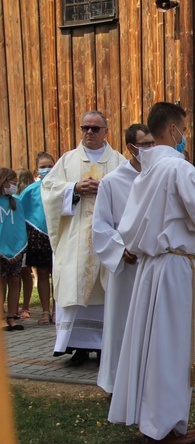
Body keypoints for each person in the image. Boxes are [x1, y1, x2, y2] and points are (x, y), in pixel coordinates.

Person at [108, 102, 195, 444]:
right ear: (173, 130)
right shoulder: (177, 168)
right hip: (173, 267)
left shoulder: (144, 169)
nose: (185, 137)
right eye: (183, 130)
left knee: (150, 344)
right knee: (170, 347)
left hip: (150, 266)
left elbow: (130, 224)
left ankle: (151, 420)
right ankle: (162, 427)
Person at [42, 110, 126, 366]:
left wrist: (107, 191)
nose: (89, 132)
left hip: (107, 238)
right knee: (75, 286)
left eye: (95, 128)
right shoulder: (68, 161)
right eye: (85, 128)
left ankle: (104, 347)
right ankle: (76, 346)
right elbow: (49, 190)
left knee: (106, 291)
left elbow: (130, 194)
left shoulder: (119, 162)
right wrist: (74, 188)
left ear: (106, 132)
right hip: (76, 238)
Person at [92, 124, 154, 394]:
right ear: (131, 148)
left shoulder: (159, 176)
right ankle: (116, 384)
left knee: (151, 326)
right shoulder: (112, 181)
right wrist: (120, 249)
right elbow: (100, 226)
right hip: (126, 266)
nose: (151, 149)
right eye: (145, 145)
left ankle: (148, 382)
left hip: (153, 263)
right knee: (121, 325)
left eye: (153, 143)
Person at [18, 153, 55, 325]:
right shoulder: (31, 189)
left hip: (58, 233)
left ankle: (57, 310)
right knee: (42, 273)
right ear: (37, 169)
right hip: (38, 235)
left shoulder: (61, 187)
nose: (47, 169)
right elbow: (18, 207)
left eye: (50, 166)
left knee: (58, 274)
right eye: (43, 166)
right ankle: (45, 311)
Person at [0, 168, 26, 331]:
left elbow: (20, 226)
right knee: (1, 282)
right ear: (4, 181)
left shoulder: (17, 201)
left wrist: (19, 249)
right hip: (0, 251)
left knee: (15, 281)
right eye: (13, 182)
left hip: (16, 250)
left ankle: (11, 316)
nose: (15, 185)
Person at [15, 169, 34, 322]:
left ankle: (25, 307)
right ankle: (13, 308)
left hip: (24, 239)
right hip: (8, 242)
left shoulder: (21, 198)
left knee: (24, 273)